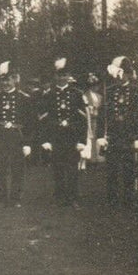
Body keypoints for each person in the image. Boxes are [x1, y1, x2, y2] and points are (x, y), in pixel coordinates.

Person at [0, 61, 35, 207]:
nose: (5, 83)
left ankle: (16, 199)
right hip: (0, 138)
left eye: (8, 79)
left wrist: (27, 143)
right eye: (3, 80)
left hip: (17, 138)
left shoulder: (25, 99)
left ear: (15, 79)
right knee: (0, 169)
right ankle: (1, 199)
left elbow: (30, 124)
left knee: (17, 169)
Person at [98, 56, 138, 207]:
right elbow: (102, 116)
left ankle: (128, 199)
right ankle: (111, 199)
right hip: (113, 136)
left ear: (126, 73)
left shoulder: (137, 92)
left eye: (120, 73)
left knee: (129, 169)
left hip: (130, 136)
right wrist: (101, 136)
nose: (117, 77)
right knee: (112, 169)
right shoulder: (109, 91)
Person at [42, 57, 88, 206]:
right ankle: (59, 197)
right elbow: (44, 119)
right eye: (59, 75)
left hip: (72, 136)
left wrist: (82, 141)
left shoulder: (76, 94)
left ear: (68, 76)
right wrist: (46, 140)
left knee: (72, 168)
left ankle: (73, 197)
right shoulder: (49, 95)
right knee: (57, 168)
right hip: (56, 136)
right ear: (55, 76)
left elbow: (82, 120)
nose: (62, 78)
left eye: (64, 75)